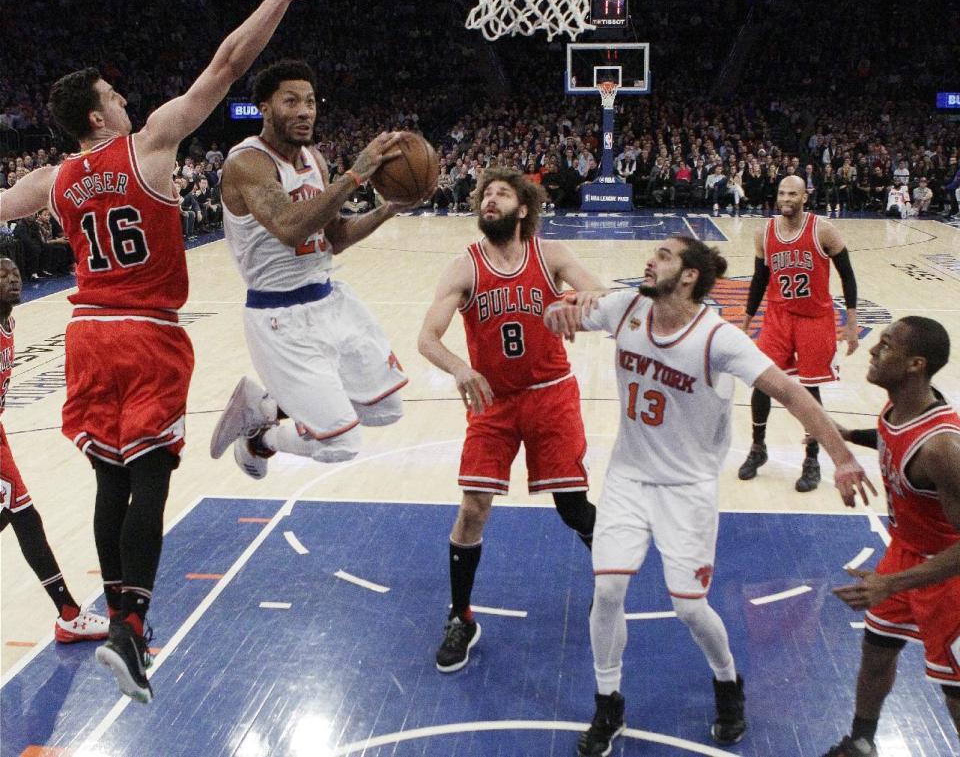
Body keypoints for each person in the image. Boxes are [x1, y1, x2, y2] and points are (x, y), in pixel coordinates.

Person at [0, 0, 350, 704]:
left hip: (87, 333)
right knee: (151, 478)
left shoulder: (48, 181)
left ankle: (118, 612)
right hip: (147, 333)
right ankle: (131, 624)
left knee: (108, 479)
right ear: (100, 116)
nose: (125, 99)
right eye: (114, 94)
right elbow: (227, 63)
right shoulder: (150, 144)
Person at [544, 235, 874, 756]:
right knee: (607, 593)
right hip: (629, 477)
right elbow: (551, 315)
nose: (650, 261)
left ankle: (727, 682)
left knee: (690, 608)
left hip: (687, 488)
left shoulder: (718, 338)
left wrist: (843, 456)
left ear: (691, 275)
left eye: (665, 256)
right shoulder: (626, 307)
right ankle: (608, 702)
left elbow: (789, 391)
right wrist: (564, 311)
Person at [417, 167, 604, 673]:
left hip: (550, 394)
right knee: (473, 508)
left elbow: (600, 294)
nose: (490, 199)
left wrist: (577, 300)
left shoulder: (551, 255)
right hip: (493, 401)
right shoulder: (464, 266)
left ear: (524, 209)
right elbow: (427, 338)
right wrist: (460, 368)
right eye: (486, 194)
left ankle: (609, 585)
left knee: (571, 506)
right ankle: (461, 617)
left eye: (502, 194)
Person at [208, 60, 407, 478]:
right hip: (279, 317)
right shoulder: (248, 162)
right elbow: (288, 226)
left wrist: (389, 209)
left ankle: (267, 405)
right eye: (291, 101)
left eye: (311, 102)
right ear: (264, 107)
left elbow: (333, 237)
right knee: (340, 445)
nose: (305, 111)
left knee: (386, 410)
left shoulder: (314, 159)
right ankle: (257, 439)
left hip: (329, 301)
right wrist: (355, 175)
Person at [820, 316, 960, 757]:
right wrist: (846, 436)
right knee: (877, 648)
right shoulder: (898, 407)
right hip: (907, 552)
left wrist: (892, 583)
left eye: (886, 346)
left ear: (916, 364)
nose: (872, 350)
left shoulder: (942, 449)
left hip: (948, 573)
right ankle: (861, 741)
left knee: (953, 689)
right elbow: (890, 439)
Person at [0, 258, 110, 644]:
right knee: (24, 514)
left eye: (15, 273)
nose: (13, 279)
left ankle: (67, 613)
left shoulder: (9, 321)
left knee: (14, 515)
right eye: (2, 275)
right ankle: (68, 613)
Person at [738, 174, 859, 492]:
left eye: (793, 193)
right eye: (781, 193)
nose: (786, 199)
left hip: (814, 319)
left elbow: (847, 275)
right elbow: (759, 278)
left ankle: (812, 458)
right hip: (778, 317)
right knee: (762, 381)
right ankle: (758, 448)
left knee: (810, 390)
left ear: (805, 197)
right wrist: (748, 317)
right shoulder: (764, 232)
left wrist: (852, 320)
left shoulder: (823, 229)